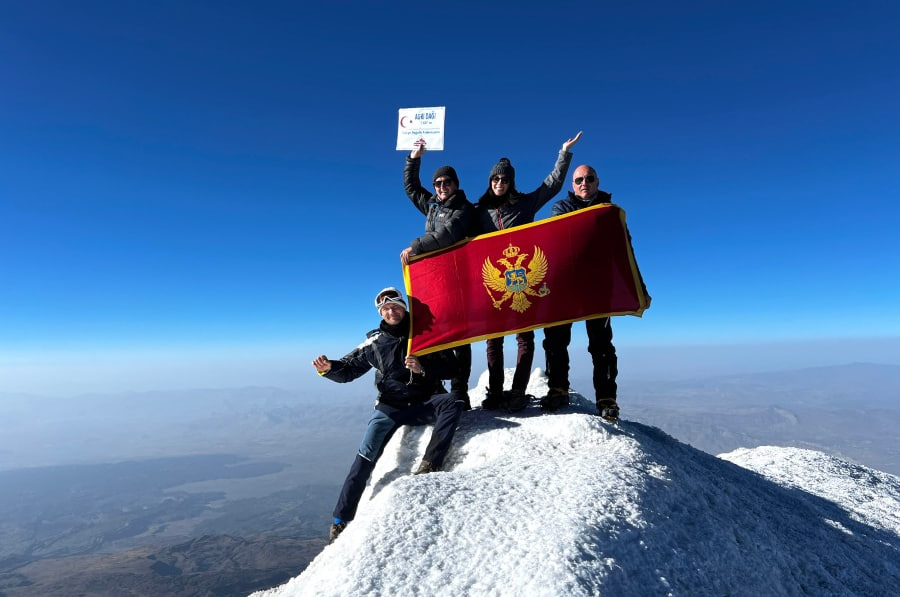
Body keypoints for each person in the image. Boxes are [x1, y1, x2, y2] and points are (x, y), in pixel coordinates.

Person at [313, 287, 465, 543]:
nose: (391, 311)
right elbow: (349, 369)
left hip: (424, 401)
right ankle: (341, 519)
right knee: (365, 456)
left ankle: (430, 464)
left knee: (452, 401)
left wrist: (424, 367)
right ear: (381, 314)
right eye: (385, 309)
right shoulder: (374, 342)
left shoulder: (425, 335)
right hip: (389, 406)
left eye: (395, 306)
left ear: (404, 309)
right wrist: (329, 369)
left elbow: (452, 367)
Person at [475, 132, 582, 411]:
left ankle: (518, 392)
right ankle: (495, 392)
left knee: (524, 338)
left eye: (505, 179)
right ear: (490, 181)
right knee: (493, 340)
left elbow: (552, 185)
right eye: (496, 179)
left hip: (522, 282)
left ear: (511, 182)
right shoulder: (479, 211)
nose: (500, 183)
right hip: (495, 285)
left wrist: (564, 153)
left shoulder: (525, 204)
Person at [540, 164, 651, 421]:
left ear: (597, 181)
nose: (584, 183)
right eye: (579, 179)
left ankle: (606, 398)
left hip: (599, 287)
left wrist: (640, 288)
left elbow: (626, 253)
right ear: (572, 185)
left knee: (601, 345)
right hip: (565, 287)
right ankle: (558, 389)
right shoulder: (561, 209)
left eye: (589, 178)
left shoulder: (610, 214)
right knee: (555, 340)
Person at [402, 139, 476, 409]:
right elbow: (411, 188)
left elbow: (448, 234)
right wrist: (414, 157)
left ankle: (460, 389)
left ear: (455, 184)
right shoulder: (433, 205)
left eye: (447, 182)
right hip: (435, 280)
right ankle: (437, 383)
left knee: (461, 336)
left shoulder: (465, 209)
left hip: (457, 279)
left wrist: (416, 246)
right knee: (437, 330)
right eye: (438, 184)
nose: (442, 187)